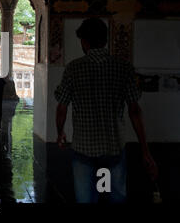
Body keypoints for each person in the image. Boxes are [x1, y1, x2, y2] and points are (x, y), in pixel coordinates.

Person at [54, 18, 158, 203]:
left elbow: (62, 108)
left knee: (86, 199)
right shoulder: (123, 68)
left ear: (84, 42)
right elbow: (134, 110)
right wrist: (145, 149)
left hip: (83, 150)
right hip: (113, 149)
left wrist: (60, 132)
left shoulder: (73, 69)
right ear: (105, 40)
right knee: (115, 197)